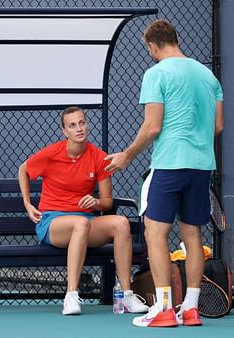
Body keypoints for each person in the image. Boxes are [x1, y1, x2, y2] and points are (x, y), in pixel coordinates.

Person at [104, 19, 224, 327]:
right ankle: (192, 309)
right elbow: (218, 126)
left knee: (155, 233)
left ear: (153, 46)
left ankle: (165, 309)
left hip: (169, 164)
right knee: (193, 235)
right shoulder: (208, 75)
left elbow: (153, 126)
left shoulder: (155, 73)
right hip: (201, 166)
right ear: (175, 39)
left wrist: (127, 156)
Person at [18, 106, 149, 315]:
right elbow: (23, 169)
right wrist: (27, 203)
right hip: (53, 222)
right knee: (81, 223)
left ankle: (126, 295)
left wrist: (95, 203)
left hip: (85, 222)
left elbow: (106, 202)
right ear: (64, 131)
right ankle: (71, 295)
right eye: (72, 125)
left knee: (121, 223)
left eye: (82, 123)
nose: (79, 128)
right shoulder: (52, 153)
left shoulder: (99, 157)